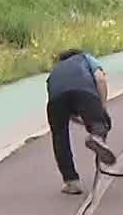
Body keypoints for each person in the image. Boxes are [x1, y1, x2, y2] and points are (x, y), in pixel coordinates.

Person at [45, 48, 116, 195]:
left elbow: (65, 107)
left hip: (55, 99)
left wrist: (83, 120)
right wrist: (101, 108)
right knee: (100, 123)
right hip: (84, 91)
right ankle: (96, 136)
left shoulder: (55, 71)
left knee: (59, 137)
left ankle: (71, 181)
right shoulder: (85, 58)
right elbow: (100, 79)